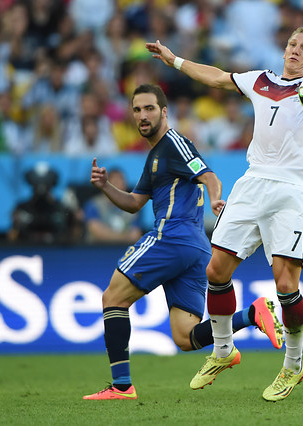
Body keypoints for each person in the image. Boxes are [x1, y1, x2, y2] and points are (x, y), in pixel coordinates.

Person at [146, 26, 303, 401]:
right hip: (252, 183)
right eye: (291, 44)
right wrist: (174, 60)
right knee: (215, 271)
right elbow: (219, 77)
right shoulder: (260, 80)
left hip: (294, 189)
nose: (295, 50)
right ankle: (223, 351)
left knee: (286, 285)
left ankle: (293, 365)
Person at [83, 84, 284, 400]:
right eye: (137, 110)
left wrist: (217, 200)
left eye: (149, 108)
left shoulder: (174, 144)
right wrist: (106, 186)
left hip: (172, 237)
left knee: (113, 299)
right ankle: (252, 314)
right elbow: (136, 202)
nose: (143, 115)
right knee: (185, 337)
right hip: (195, 249)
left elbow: (209, 176)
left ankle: (121, 386)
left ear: (164, 112)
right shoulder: (155, 156)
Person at [8, 161, 83, 244]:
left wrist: (76, 221)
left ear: (52, 185)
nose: (41, 190)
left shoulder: (61, 209)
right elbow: (12, 237)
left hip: (58, 251)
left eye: (46, 186)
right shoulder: (22, 209)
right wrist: (16, 225)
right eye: (36, 186)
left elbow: (74, 237)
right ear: (31, 185)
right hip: (28, 251)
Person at [82, 168, 143, 244]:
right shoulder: (93, 205)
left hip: (124, 251)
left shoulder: (132, 207)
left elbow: (136, 235)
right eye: (115, 181)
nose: (118, 184)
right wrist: (126, 237)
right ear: (107, 183)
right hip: (97, 251)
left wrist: (109, 235)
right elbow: (97, 233)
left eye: (121, 181)